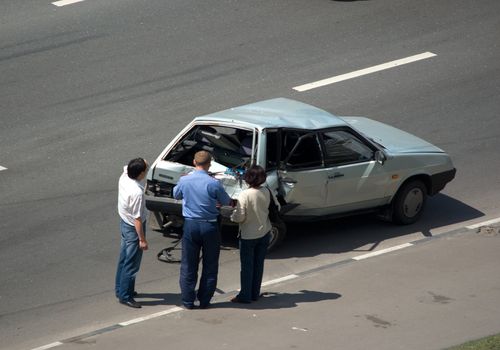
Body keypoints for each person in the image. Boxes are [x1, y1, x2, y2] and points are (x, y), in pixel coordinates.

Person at [173, 151, 232, 309]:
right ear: (209, 164)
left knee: (188, 265)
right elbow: (226, 201)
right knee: (210, 265)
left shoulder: (185, 180)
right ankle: (204, 300)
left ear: (194, 162)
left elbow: (176, 195)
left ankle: (187, 301)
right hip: (210, 226)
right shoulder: (213, 183)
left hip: (191, 225)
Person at [230, 165, 278, 303]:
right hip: (264, 232)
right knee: (258, 265)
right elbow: (275, 207)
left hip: (248, 235)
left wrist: (232, 215)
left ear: (248, 178)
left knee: (247, 267)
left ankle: (245, 295)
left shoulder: (245, 194)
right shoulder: (267, 191)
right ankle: (254, 293)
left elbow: (240, 217)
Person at [115, 158, 149, 309]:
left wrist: (141, 162)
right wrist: (142, 239)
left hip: (124, 222)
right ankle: (125, 296)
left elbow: (134, 163)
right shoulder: (136, 193)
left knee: (124, 259)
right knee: (132, 263)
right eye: (145, 170)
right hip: (133, 228)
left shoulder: (125, 175)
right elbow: (137, 219)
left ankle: (121, 289)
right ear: (140, 173)